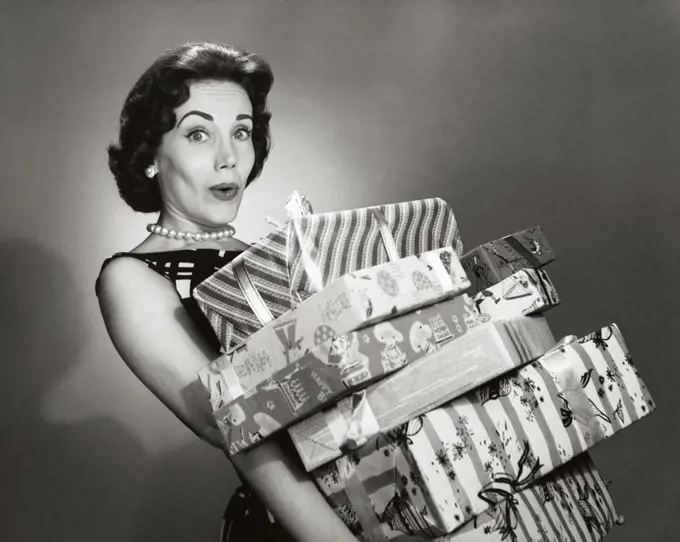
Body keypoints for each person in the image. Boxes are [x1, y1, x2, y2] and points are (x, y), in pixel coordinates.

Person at [95, 42, 360, 542]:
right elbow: (237, 430)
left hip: (396, 497)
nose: (229, 157)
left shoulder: (282, 249)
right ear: (151, 155)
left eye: (241, 131)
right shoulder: (130, 277)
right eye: (198, 133)